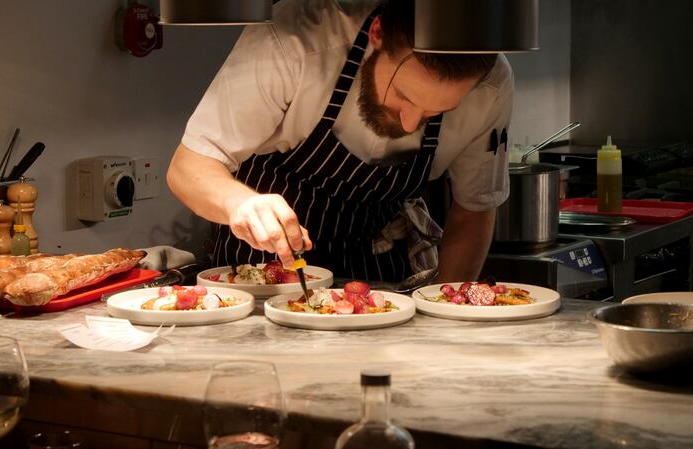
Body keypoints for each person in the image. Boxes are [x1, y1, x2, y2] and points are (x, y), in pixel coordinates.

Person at [167, 0, 513, 283]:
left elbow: (474, 208)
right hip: (262, 270)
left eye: (435, 113)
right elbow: (188, 167)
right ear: (377, 33)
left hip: (377, 272)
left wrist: (447, 310)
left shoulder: (491, 89)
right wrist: (239, 203)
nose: (410, 123)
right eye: (403, 96)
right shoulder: (295, 40)